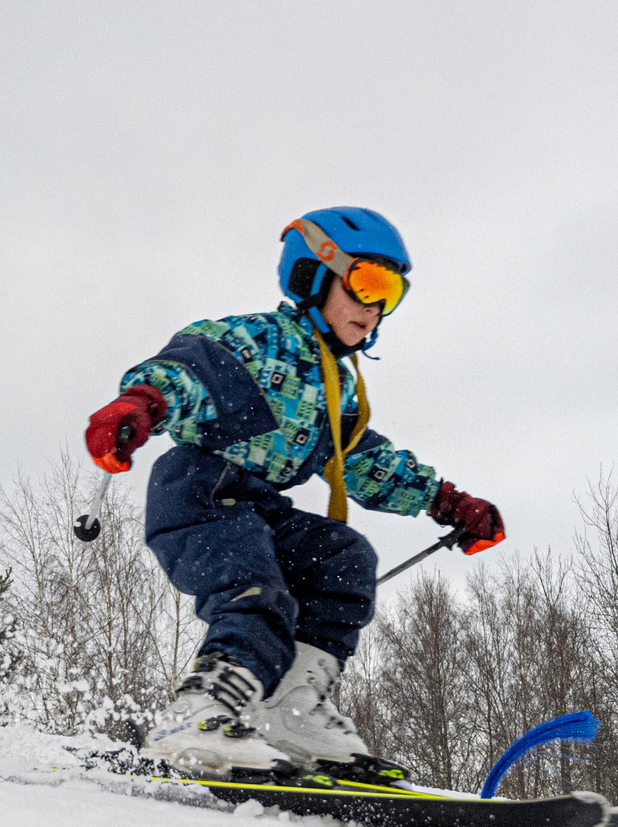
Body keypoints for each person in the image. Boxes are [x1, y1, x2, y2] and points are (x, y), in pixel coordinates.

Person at [81, 207, 505, 780]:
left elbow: (365, 460)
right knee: (259, 595)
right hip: (201, 492)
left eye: (392, 293)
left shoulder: (336, 388)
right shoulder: (257, 342)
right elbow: (188, 371)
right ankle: (200, 713)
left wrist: (447, 502)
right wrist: (141, 406)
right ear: (313, 275)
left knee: (343, 557)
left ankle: (290, 710)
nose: (376, 308)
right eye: (367, 284)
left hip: (257, 507)